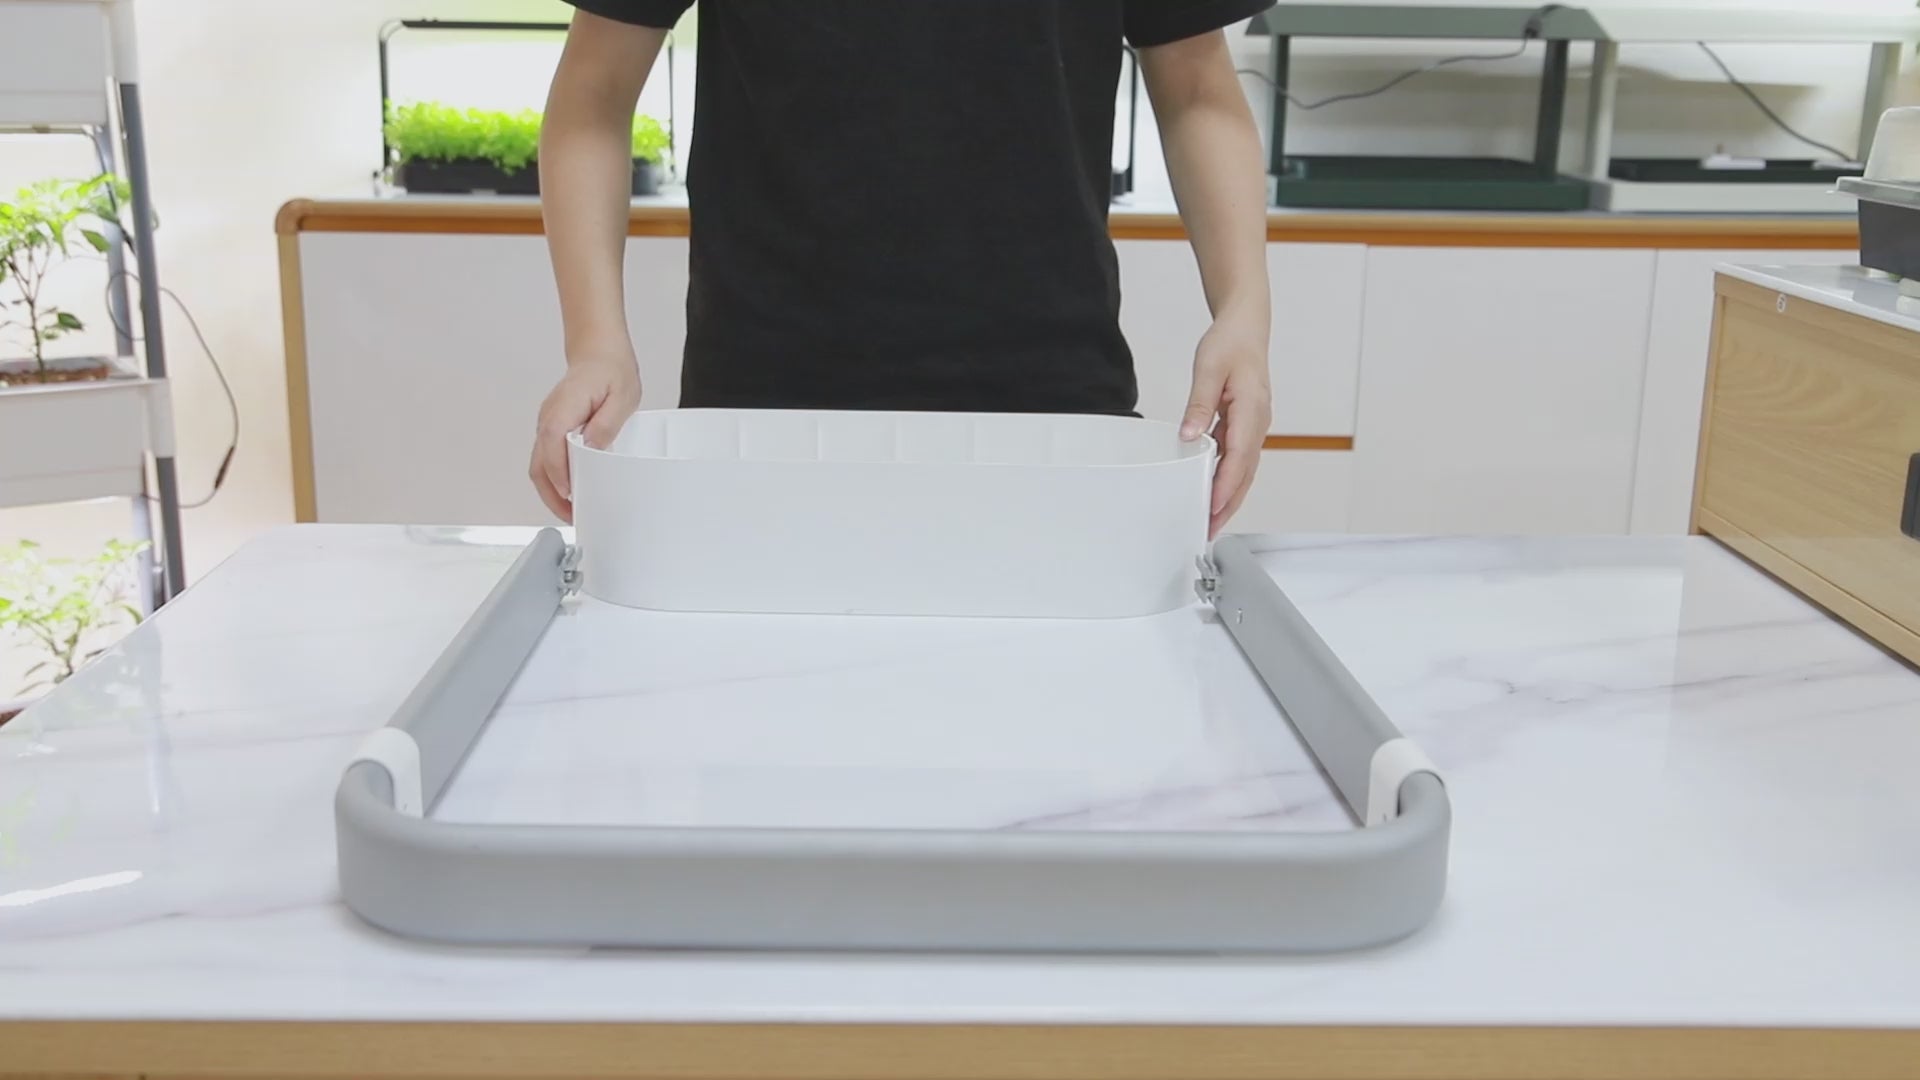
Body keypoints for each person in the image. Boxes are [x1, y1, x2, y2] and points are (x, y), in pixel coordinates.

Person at [531, 1, 1275, 538]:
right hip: (765, 413)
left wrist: (1244, 311)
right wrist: (596, 344)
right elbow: (595, 92)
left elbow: (1196, 85)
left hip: (1055, 411)